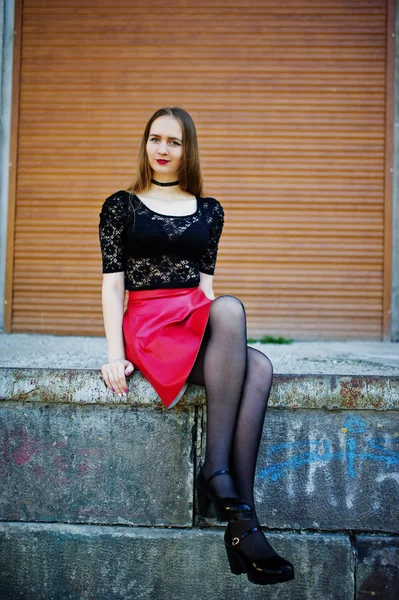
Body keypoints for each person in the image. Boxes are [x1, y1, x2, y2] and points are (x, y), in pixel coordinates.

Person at [99, 106, 295, 586]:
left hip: (193, 315)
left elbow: (206, 288)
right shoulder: (119, 206)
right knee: (234, 316)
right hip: (149, 323)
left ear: (188, 150)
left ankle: (242, 524)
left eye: (174, 142)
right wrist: (113, 353)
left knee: (260, 364)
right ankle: (221, 479)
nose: (163, 149)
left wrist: (210, 334)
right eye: (155, 139)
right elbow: (112, 286)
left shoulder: (210, 210)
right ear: (145, 143)